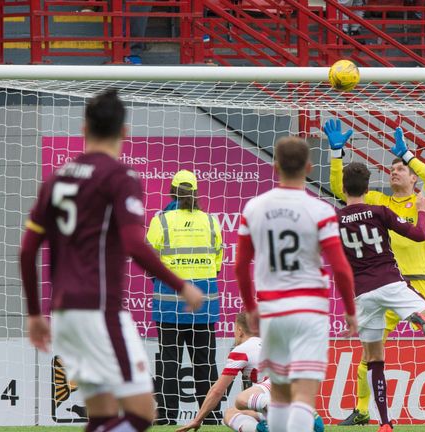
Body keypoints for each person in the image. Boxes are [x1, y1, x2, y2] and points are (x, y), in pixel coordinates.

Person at [19, 89, 203, 432]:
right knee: (142, 412)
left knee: (102, 416)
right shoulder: (121, 177)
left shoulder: (58, 178)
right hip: (99, 309)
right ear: (125, 133)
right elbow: (134, 243)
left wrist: (33, 314)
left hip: (64, 313)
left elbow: (28, 249)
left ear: (84, 129)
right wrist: (181, 285)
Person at [324, 119, 425, 427]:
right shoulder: (377, 202)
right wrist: (337, 155)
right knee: (368, 354)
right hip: (387, 283)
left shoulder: (420, 202)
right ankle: (362, 409)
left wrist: (409, 155)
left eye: (400, 168)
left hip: (417, 283)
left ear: (413, 178)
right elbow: (341, 189)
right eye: (392, 168)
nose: (394, 170)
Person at [235, 136, 358, 432]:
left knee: (278, 393)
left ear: (275, 166)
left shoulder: (254, 208)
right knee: (302, 394)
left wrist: (251, 308)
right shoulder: (320, 211)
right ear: (309, 167)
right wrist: (351, 311)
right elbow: (341, 268)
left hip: (273, 311)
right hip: (309, 311)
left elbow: (240, 266)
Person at [338, 162, 425, 431]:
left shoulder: (336, 220)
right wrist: (422, 211)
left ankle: (385, 422)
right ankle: (419, 317)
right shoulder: (379, 212)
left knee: (374, 359)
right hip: (391, 283)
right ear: (368, 188)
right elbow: (419, 233)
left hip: (363, 294)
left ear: (343, 188)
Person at [146, 169, 223, 425]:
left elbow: (148, 260)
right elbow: (218, 263)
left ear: (172, 192)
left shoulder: (161, 221)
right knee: (205, 363)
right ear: (196, 192)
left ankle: (167, 417)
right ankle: (210, 416)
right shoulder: (211, 221)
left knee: (169, 361)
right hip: (204, 306)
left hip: (169, 306)